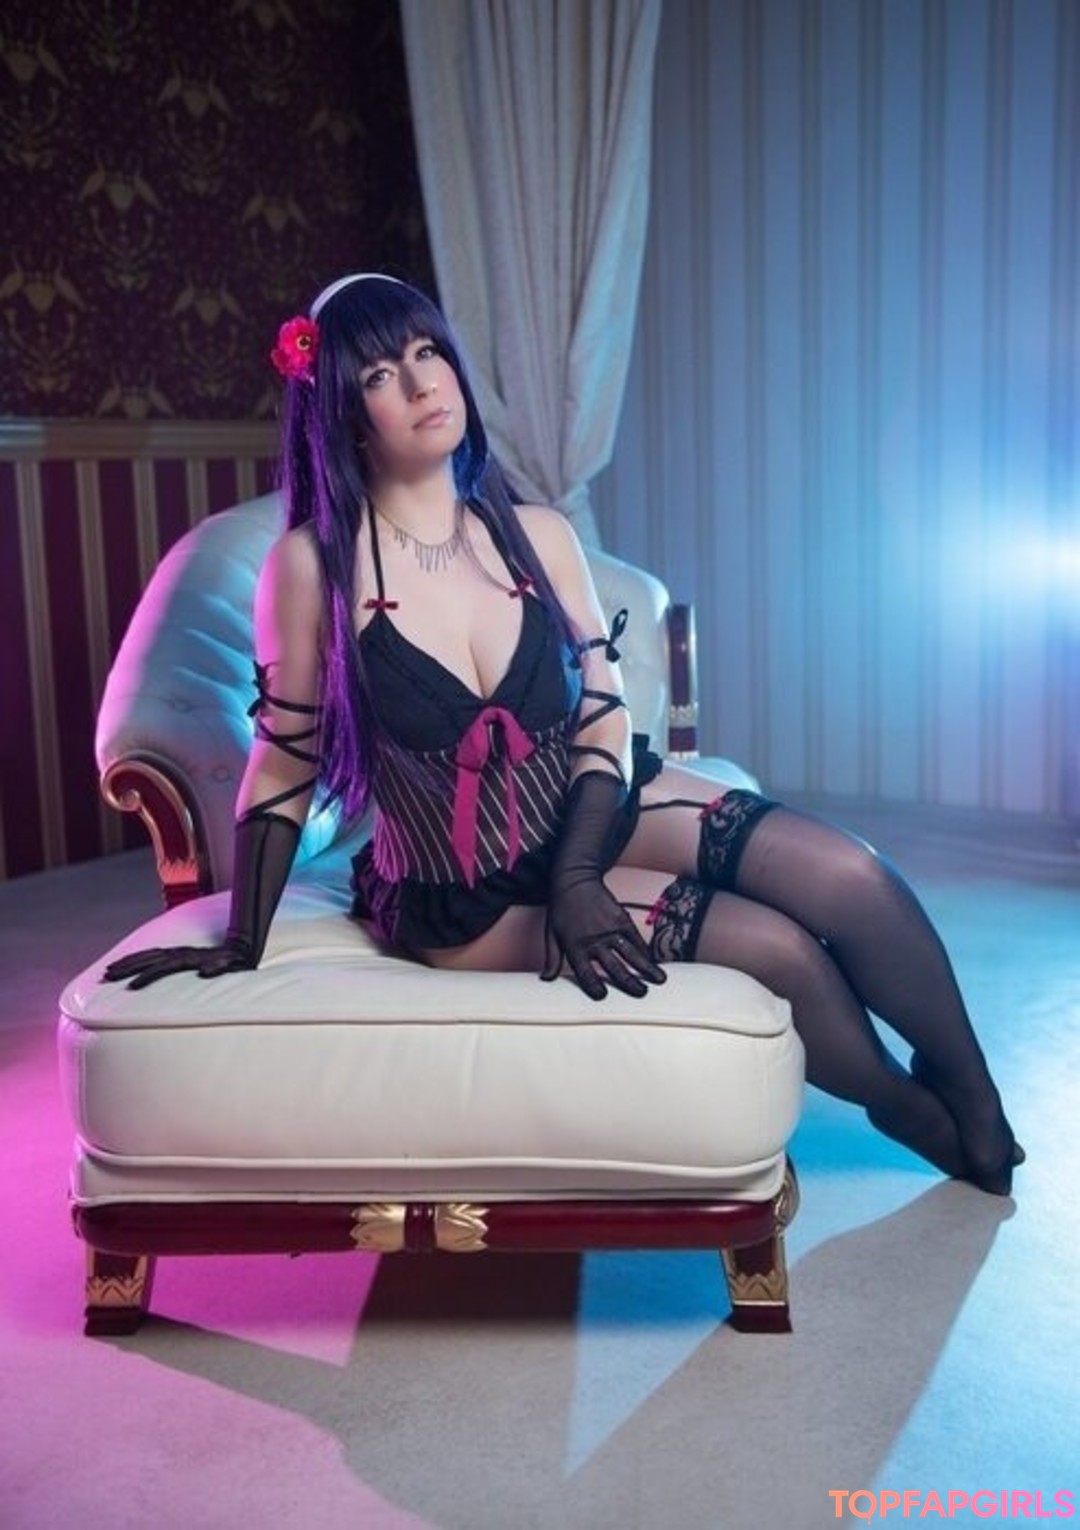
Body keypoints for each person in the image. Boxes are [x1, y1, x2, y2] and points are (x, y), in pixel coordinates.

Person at [104, 272, 1022, 1197]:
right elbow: (288, 758)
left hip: (589, 809)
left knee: (850, 876)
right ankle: (902, 1106)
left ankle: (975, 1098)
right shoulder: (311, 568)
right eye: (381, 374)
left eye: (428, 353)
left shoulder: (535, 534)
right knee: (778, 950)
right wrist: (242, 937)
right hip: (466, 891)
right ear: (345, 412)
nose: (423, 384)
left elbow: (602, 714)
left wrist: (579, 874)